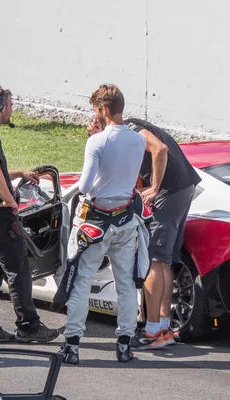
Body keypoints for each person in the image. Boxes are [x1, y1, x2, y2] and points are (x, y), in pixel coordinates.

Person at [55, 84, 147, 364]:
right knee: (126, 285)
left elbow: (85, 185)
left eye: (96, 110)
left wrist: (95, 140)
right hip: (125, 221)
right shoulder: (138, 140)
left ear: (104, 110)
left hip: (95, 221)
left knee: (82, 281)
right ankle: (124, 343)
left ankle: (72, 344)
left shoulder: (96, 142)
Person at [0, 85, 59, 344]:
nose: (11, 109)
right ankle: (28, 326)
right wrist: (11, 202)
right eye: (9, 104)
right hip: (1, 217)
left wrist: (18, 173)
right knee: (18, 271)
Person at [122, 118, 201, 349]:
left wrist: (155, 187)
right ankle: (164, 328)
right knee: (164, 261)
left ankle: (152, 331)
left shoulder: (129, 128)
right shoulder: (130, 130)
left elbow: (160, 148)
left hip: (169, 189)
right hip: (183, 186)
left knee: (153, 259)